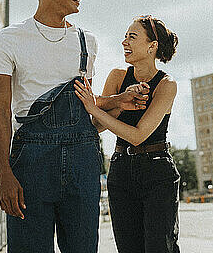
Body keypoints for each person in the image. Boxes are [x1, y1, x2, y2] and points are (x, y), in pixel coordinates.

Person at [0, 0, 147, 253]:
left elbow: (87, 108)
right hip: (31, 160)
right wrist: (3, 172)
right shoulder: (8, 39)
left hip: (83, 158)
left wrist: (118, 101)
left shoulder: (88, 41)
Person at [74, 15, 180, 253]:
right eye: (125, 36)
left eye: (132, 37)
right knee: (128, 248)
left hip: (157, 171)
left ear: (152, 46)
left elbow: (138, 135)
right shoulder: (118, 76)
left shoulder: (166, 84)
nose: (124, 42)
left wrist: (94, 107)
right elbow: (97, 126)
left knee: (159, 247)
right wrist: (120, 104)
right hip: (121, 170)